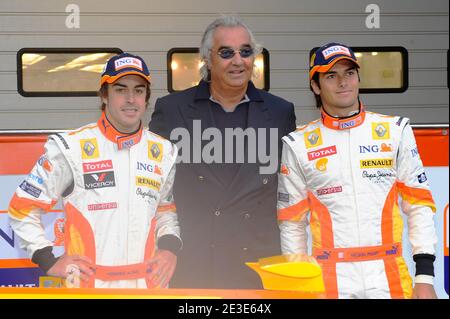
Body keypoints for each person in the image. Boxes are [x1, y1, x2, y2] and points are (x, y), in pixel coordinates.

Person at [277, 42, 438, 299]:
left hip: (388, 275)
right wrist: (298, 287)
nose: (343, 82)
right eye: (331, 75)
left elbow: (419, 206)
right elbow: (292, 223)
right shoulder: (298, 144)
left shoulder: (396, 131)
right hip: (330, 279)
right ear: (315, 86)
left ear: (358, 78)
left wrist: (425, 277)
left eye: (349, 73)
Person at [8, 53, 182, 288]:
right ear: (104, 95)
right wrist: (48, 260)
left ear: (147, 98)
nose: (131, 99)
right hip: (87, 286)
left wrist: (170, 249)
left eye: (139, 91)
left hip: (147, 286)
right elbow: (22, 208)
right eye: (121, 90)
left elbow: (165, 209)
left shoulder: (163, 152)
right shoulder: (70, 148)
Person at [149, 15, 296, 289]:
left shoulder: (280, 112)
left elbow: (291, 190)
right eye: (226, 53)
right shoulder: (172, 111)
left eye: (245, 51)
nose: (238, 60)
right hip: (193, 266)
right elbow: (154, 190)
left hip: (259, 267)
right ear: (208, 59)